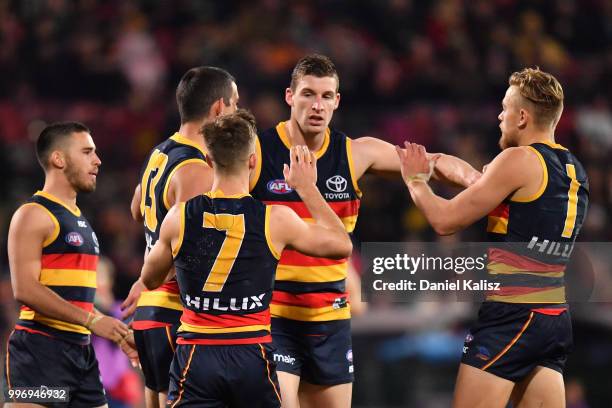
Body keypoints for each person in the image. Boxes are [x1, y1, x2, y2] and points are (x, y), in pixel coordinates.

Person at [249, 53, 481, 408]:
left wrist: (479, 182)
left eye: (327, 96)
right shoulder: (258, 153)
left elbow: (432, 162)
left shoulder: (356, 154)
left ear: (337, 101)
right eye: (308, 94)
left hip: (330, 321)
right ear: (289, 97)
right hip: (274, 317)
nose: (317, 105)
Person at [395, 67, 589, 408]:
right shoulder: (572, 167)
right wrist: (436, 160)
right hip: (553, 317)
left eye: (505, 108)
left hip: (512, 313)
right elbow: (477, 180)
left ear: (523, 117)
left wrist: (415, 181)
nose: (500, 116)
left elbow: (444, 221)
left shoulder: (517, 160)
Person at [139, 110, 353, 407]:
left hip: (197, 355)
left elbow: (150, 279)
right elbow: (342, 244)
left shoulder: (180, 217)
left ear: (210, 161)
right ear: (253, 160)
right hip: (252, 352)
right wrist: (306, 187)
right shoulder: (275, 219)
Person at [121, 66, 239, 408]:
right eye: (234, 105)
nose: (235, 113)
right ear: (218, 108)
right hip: (176, 312)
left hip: (149, 313)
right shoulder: (197, 169)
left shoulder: (160, 153)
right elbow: (190, 252)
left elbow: (135, 209)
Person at [4, 122, 136, 408]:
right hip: (40, 351)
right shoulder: (33, 214)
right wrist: (93, 321)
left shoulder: (81, 221)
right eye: (87, 152)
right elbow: (25, 288)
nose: (97, 160)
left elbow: (77, 299)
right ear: (58, 159)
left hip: (81, 353)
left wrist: (114, 331)